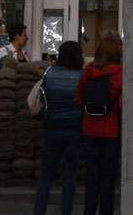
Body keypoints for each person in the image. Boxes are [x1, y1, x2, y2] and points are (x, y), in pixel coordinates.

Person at [33, 39, 84, 215]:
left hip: (52, 128)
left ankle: (39, 210)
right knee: (69, 175)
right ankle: (66, 211)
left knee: (45, 175)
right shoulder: (81, 76)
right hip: (74, 128)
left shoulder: (49, 73)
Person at [74, 31, 123, 215]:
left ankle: (89, 211)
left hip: (89, 129)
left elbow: (77, 101)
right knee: (108, 177)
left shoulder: (88, 72)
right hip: (111, 131)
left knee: (92, 175)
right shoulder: (120, 74)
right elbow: (123, 104)